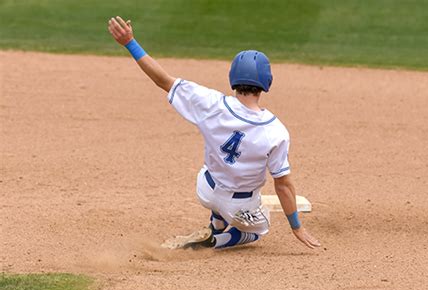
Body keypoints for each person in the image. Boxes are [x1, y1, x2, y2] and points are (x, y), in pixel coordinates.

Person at [107, 16, 320, 249]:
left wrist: (130, 42)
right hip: (239, 205)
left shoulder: (211, 104)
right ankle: (214, 241)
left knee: (214, 177)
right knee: (261, 228)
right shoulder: (275, 131)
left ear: (233, 78)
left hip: (205, 189)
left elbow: (163, 80)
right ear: (266, 82)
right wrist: (296, 226)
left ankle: (216, 223)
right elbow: (283, 184)